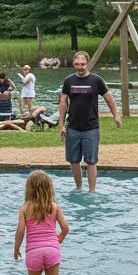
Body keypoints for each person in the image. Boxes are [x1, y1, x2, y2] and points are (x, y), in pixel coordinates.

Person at [58, 50, 121, 192]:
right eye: (77, 64)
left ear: (88, 63)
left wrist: (116, 115)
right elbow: (63, 102)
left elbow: (109, 98)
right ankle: (79, 188)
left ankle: (92, 191)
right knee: (73, 160)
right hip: (73, 127)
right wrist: (61, 125)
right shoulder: (69, 81)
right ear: (74, 64)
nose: (80, 67)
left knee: (91, 161)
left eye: (82, 64)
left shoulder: (96, 80)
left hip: (91, 127)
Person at [14, 169, 69, 275]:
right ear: (49, 188)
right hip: (52, 251)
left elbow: (20, 231)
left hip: (33, 252)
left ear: (29, 189)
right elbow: (65, 228)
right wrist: (59, 239)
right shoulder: (54, 207)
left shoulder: (24, 208)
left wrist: (16, 249)